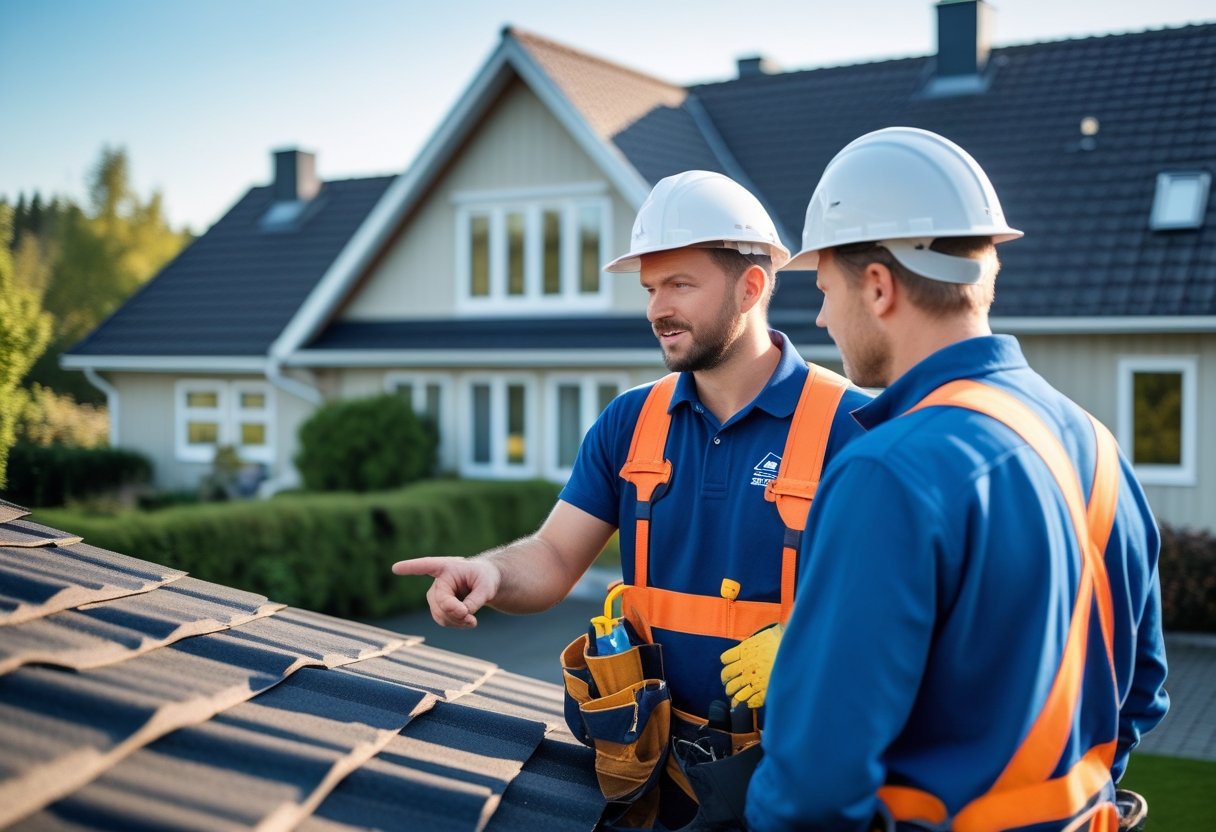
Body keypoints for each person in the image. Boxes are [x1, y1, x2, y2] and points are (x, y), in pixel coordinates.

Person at [392, 170, 871, 827]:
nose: (657, 310)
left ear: (752, 286)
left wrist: (817, 643)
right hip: (648, 784)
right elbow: (556, 554)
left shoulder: (856, 428)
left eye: (679, 284)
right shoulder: (630, 424)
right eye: (650, 289)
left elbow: (903, 615)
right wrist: (493, 572)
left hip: (788, 788)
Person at [746, 127, 1169, 831]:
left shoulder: (888, 471)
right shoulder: (1096, 447)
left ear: (878, 286)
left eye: (824, 289)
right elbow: (1140, 691)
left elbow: (814, 784)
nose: (821, 317)